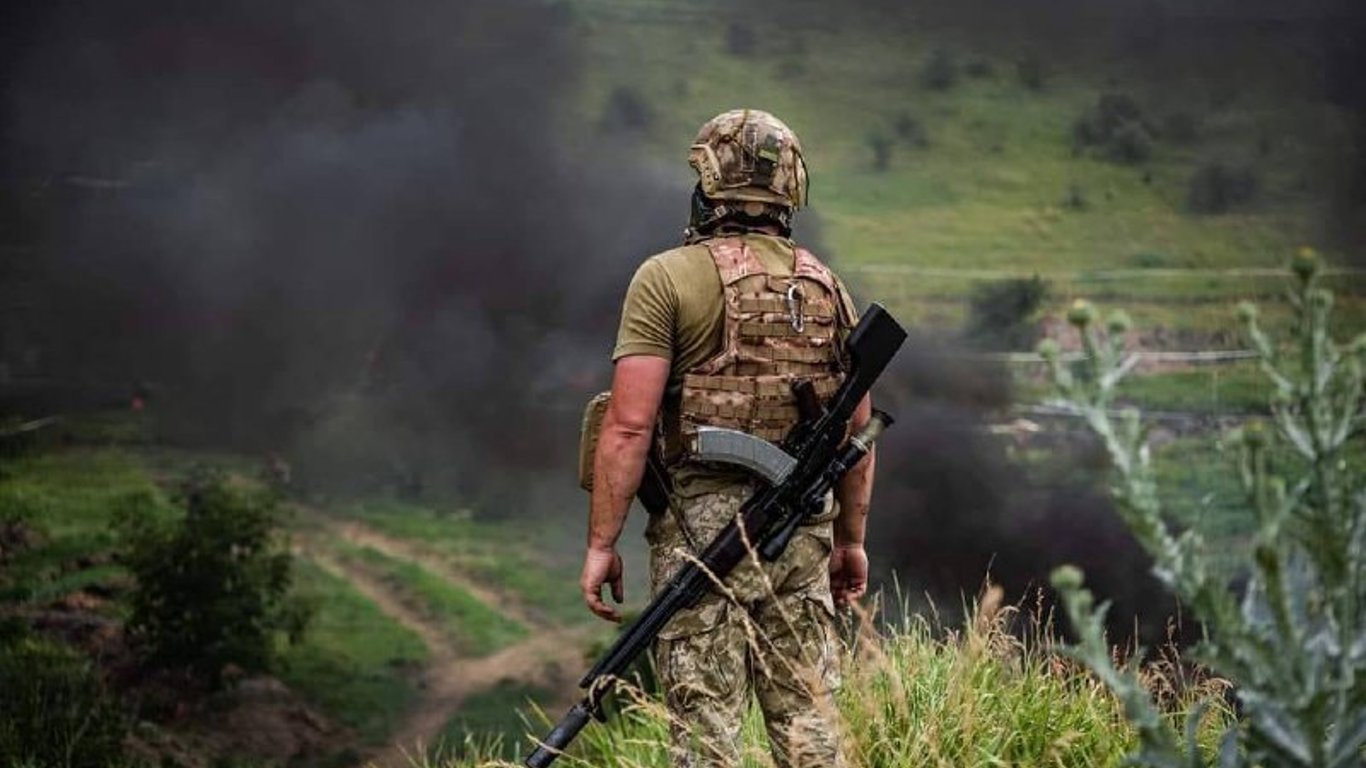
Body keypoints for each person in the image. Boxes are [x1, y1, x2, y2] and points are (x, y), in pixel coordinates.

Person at [579, 108, 877, 768]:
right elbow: (859, 434)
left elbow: (627, 426)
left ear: (708, 184)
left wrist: (602, 542)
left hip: (699, 535)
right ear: (790, 191)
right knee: (809, 723)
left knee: (705, 729)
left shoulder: (667, 279)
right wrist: (850, 541)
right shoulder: (827, 288)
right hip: (799, 539)